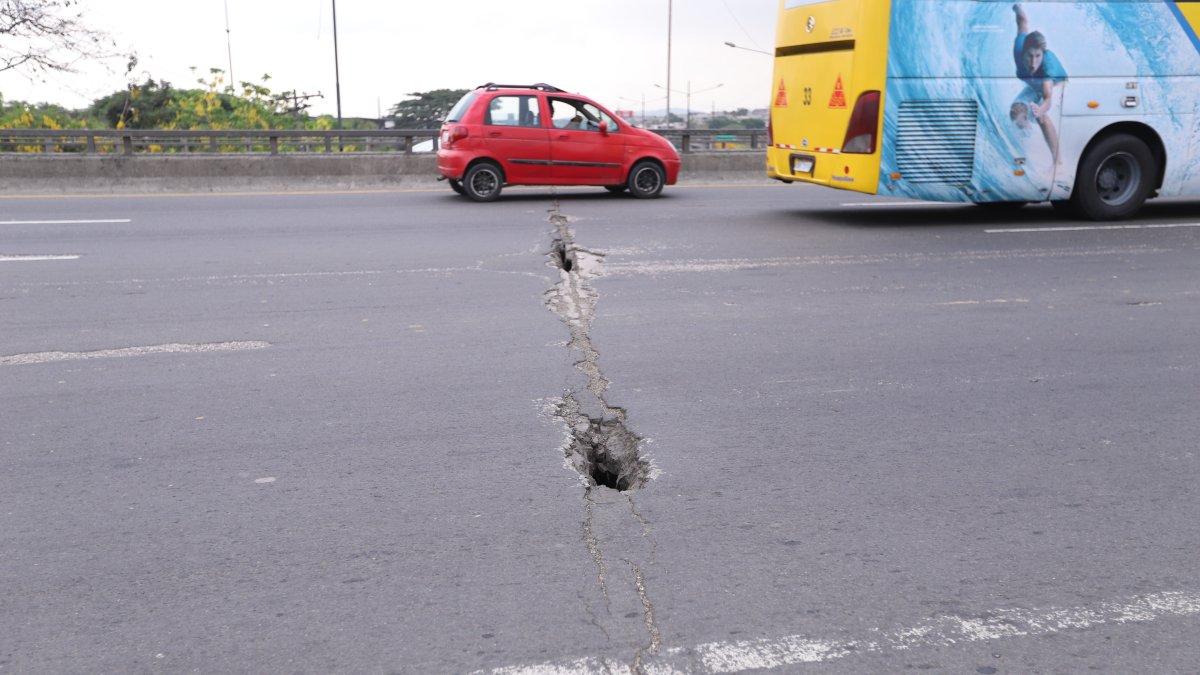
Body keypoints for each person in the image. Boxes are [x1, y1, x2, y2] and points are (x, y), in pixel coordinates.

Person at [1011, 3, 1068, 165]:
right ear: (1023, 53)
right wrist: (1016, 7)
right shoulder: (1018, 48)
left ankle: (1058, 163)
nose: (1033, 62)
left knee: (1040, 116)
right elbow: (1022, 22)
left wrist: (1040, 108)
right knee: (1016, 112)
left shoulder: (1046, 68)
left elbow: (1048, 98)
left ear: (1042, 54)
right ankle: (1027, 150)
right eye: (1030, 56)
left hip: (1056, 85)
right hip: (1034, 85)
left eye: (1038, 56)